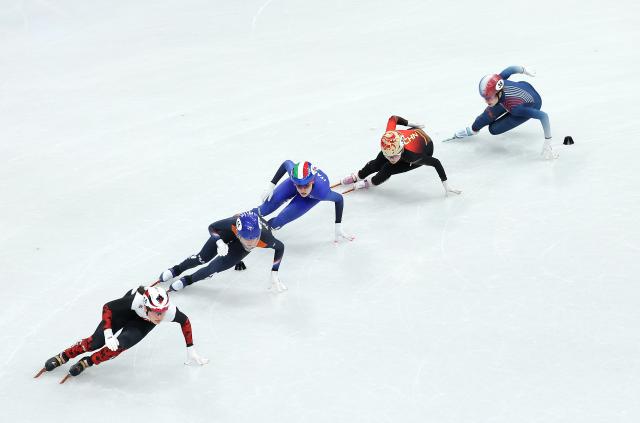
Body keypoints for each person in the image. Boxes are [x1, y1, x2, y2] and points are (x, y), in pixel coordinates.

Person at [36, 285, 207, 382]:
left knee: (119, 346)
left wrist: (190, 348)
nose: (161, 316)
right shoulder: (135, 301)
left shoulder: (168, 312)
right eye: (156, 312)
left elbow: (185, 321)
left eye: (163, 311)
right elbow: (107, 307)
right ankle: (64, 356)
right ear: (146, 306)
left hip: (142, 323)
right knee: (95, 342)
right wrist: (109, 334)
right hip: (125, 312)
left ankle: (87, 362)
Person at [158, 211, 287, 293]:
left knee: (213, 268)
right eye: (247, 238)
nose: (251, 242)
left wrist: (274, 272)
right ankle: (176, 269)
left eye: (255, 238)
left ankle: (188, 280)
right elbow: (212, 227)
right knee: (202, 258)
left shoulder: (266, 239)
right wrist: (219, 241)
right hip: (228, 233)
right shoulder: (233, 224)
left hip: (240, 247)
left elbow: (280, 248)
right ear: (238, 232)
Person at [452, 65, 557, 159]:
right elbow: (510, 69)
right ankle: (474, 129)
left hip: (532, 104)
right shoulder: (498, 81)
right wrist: (524, 70)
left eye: (489, 98)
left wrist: (548, 140)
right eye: (485, 98)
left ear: (497, 93)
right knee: (483, 119)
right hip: (518, 91)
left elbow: (543, 116)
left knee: (493, 129)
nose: (486, 101)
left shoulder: (516, 108)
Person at [338, 115, 461, 196]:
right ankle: (359, 175)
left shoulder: (412, 156)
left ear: (401, 150)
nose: (390, 159)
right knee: (377, 162)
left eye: (393, 156)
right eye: (389, 155)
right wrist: (411, 124)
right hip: (410, 135)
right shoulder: (390, 136)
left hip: (424, 149)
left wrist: (446, 184)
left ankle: (369, 182)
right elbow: (393, 118)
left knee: (387, 168)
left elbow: (436, 162)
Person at [256, 160, 354, 242]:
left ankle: (264, 230)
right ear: (294, 183)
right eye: (299, 186)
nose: (302, 190)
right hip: (294, 183)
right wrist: (271, 186)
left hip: (312, 196)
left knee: (280, 220)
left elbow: (339, 199)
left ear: (312, 181)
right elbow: (287, 163)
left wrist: (338, 226)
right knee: (264, 209)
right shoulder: (294, 175)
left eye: (306, 186)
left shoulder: (322, 192)